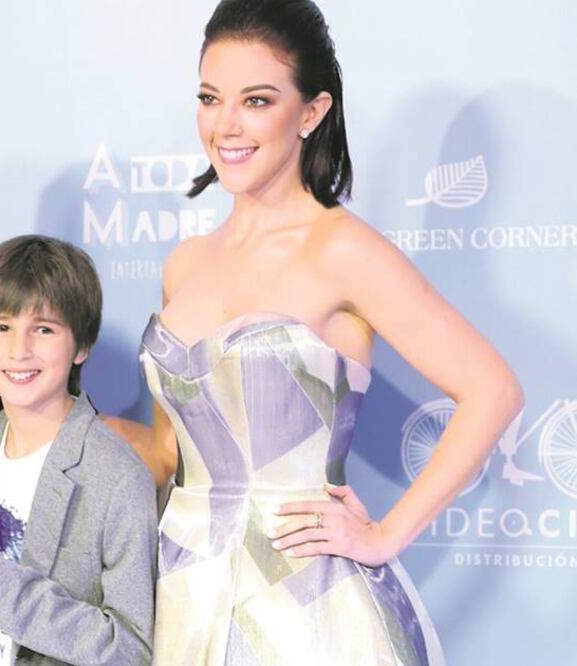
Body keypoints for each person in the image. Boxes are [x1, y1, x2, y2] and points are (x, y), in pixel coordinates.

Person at [140, 0, 523, 663]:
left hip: (303, 609)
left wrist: (383, 535)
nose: (225, 125)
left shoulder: (341, 250)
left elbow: (493, 391)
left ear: (311, 112)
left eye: (256, 101)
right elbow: (168, 452)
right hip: (182, 593)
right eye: (209, 98)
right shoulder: (185, 264)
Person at [0, 235, 157, 665]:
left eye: (43, 329)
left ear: (82, 345)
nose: (19, 350)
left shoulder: (117, 477)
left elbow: (130, 650)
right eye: (1, 327)